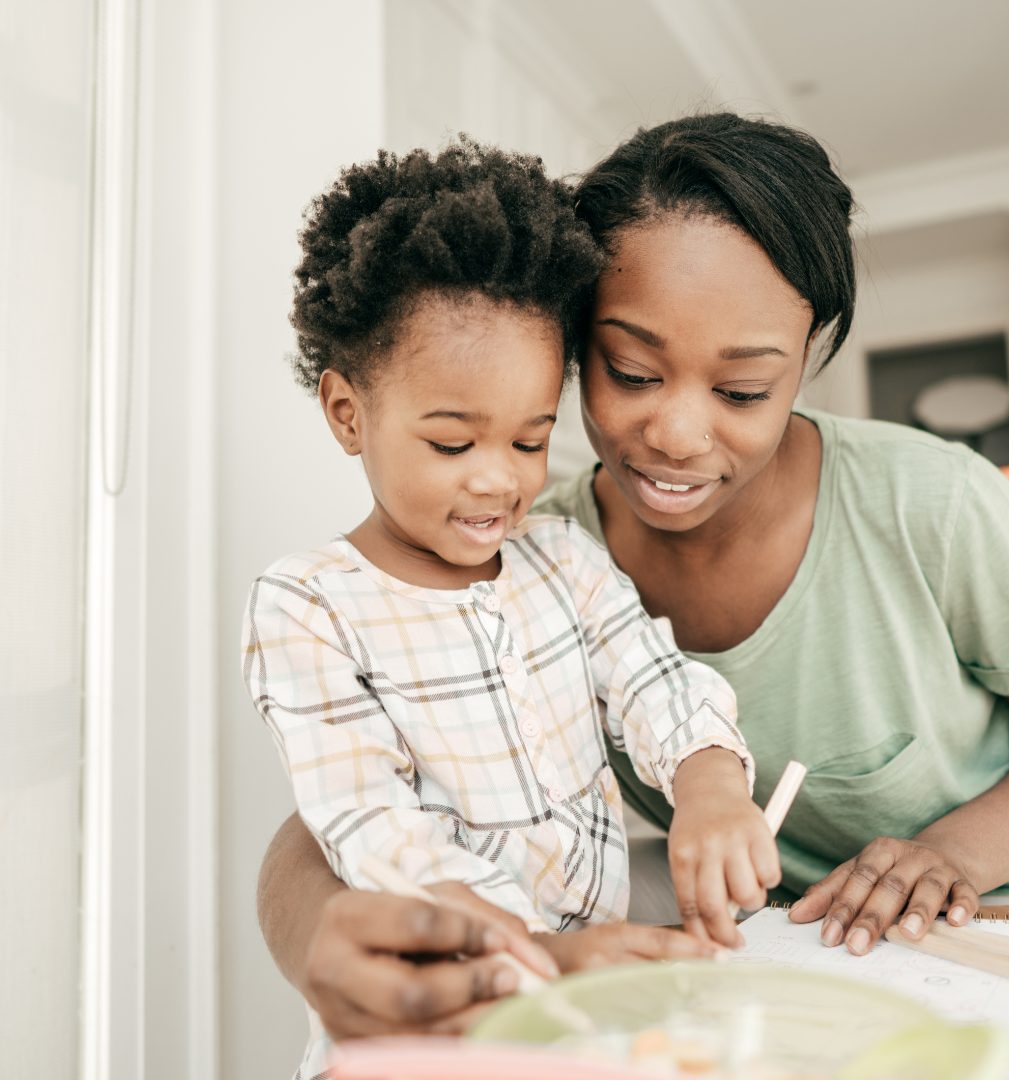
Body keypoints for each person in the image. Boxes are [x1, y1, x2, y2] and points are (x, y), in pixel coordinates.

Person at [256, 112, 1009, 1036]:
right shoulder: (529, 550)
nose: (679, 437)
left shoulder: (935, 507)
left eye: (740, 391)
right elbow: (351, 802)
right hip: (787, 941)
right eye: (632, 371)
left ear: (806, 361)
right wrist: (312, 933)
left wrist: (951, 852)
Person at [243, 138, 777, 1076]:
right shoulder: (310, 606)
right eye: (453, 444)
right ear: (347, 414)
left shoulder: (562, 560)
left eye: (531, 441)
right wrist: (537, 958)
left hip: (588, 1006)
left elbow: (654, 678)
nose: (500, 480)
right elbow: (371, 829)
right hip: (442, 1015)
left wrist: (709, 784)